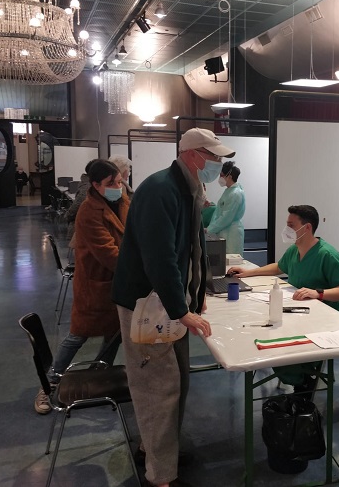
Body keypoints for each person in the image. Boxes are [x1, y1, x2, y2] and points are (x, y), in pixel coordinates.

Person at [111, 127, 230, 487]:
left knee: (177, 382)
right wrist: (181, 309)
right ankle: (160, 476)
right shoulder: (160, 190)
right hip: (148, 305)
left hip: (168, 303)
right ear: (193, 155)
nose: (218, 163)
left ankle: (158, 452)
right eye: (213, 157)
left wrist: (198, 291)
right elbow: (160, 260)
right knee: (158, 389)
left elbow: (195, 246)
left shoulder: (188, 189)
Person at [34, 160, 130, 414]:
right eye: (111, 183)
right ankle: (50, 382)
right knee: (78, 333)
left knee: (115, 332)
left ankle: (100, 373)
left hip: (120, 281)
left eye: (119, 181)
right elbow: (109, 254)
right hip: (96, 283)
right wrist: (141, 264)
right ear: (95, 185)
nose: (118, 186)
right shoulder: (88, 212)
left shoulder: (123, 201)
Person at [228, 204, 339, 393]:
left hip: (325, 317)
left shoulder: (328, 255)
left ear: (307, 227)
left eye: (291, 225)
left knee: (281, 344)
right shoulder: (295, 250)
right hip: (299, 310)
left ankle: (304, 382)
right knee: (265, 332)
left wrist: (318, 293)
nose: (286, 230)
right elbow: (279, 267)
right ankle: (298, 379)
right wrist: (249, 272)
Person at [206, 161, 245, 255]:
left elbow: (226, 217)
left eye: (221, 175)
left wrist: (209, 229)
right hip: (225, 231)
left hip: (231, 234)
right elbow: (221, 211)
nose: (220, 178)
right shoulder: (229, 191)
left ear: (229, 177)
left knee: (231, 260)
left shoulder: (235, 194)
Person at [64, 159, 97, 242]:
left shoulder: (87, 184)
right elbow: (76, 206)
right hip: (81, 230)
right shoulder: (87, 187)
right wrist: (68, 216)